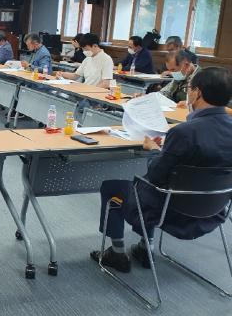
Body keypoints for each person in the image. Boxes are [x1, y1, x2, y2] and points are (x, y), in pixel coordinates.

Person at [90, 67, 232, 272]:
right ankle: (145, 247)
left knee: (113, 187)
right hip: (214, 212)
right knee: (157, 188)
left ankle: (117, 253)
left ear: (197, 93)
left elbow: (156, 175)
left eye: (189, 88)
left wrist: (155, 151)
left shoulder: (184, 132)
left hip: (172, 212)